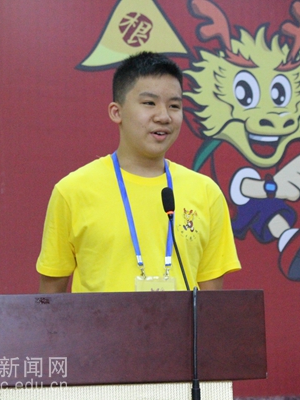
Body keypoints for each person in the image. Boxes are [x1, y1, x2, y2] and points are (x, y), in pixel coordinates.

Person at [37, 51, 240, 293]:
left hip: (182, 321)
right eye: (149, 103)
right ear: (117, 112)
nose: (164, 116)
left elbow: (212, 299)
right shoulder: (72, 191)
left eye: (174, 106)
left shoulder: (206, 193)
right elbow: (50, 299)